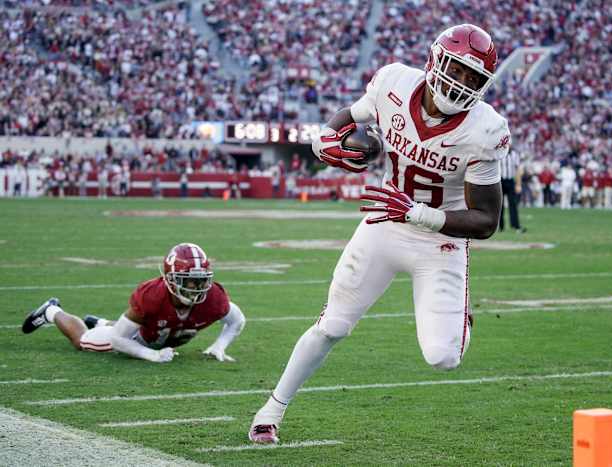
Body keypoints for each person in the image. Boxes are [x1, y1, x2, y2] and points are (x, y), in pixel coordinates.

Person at [249, 24, 507, 444]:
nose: (462, 84)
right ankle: (271, 410)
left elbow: (487, 221)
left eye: (473, 78)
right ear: (436, 60)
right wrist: (326, 140)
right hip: (385, 221)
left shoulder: (485, 129)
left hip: (438, 239)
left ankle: (459, 318)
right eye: (457, 70)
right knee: (331, 324)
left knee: (442, 357)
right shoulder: (393, 83)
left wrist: (423, 215)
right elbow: (348, 119)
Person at [21, 243, 246, 363]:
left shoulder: (213, 298)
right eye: (188, 281)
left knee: (146, 326)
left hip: (154, 334)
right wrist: (151, 355)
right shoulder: (153, 296)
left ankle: (100, 322)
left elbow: (237, 321)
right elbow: (119, 340)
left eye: (200, 281)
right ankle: (51, 311)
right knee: (83, 341)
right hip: (136, 339)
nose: (195, 289)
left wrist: (219, 346)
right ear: (170, 278)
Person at [499, 150, 525, 232]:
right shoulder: (499, 153)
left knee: (513, 204)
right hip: (500, 181)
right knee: (499, 205)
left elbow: (518, 171)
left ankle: (515, 225)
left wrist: (518, 184)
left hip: (511, 181)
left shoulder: (514, 155)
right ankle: (500, 226)